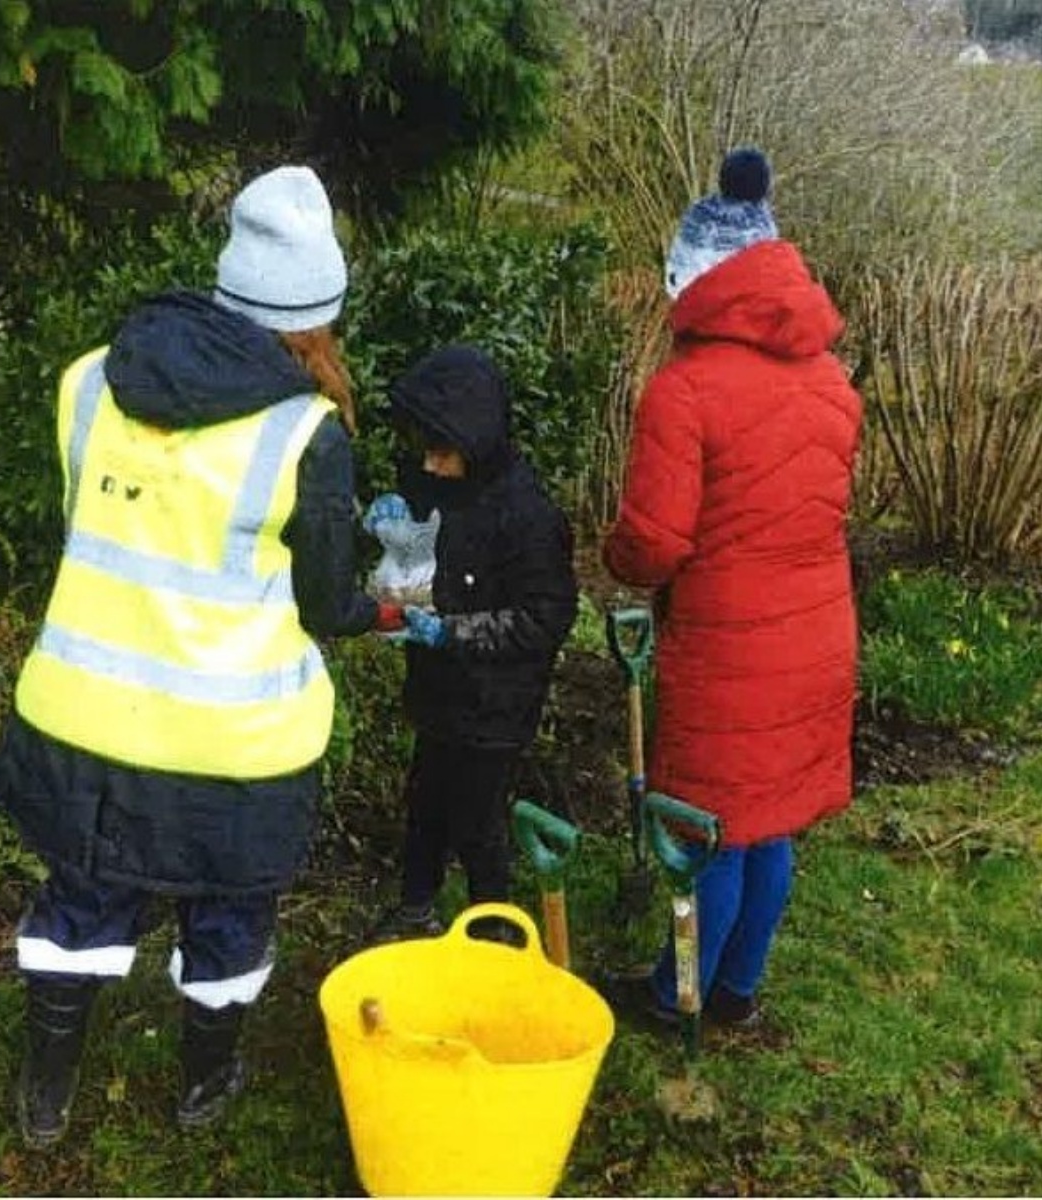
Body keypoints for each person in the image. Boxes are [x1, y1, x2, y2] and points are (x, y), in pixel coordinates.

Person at [0, 165, 402, 1147]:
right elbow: (324, 601)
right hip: (234, 745)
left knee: (81, 901)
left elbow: (99, 528)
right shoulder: (307, 434)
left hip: (83, 722)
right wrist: (379, 609)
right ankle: (204, 1086)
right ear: (316, 315)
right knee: (226, 915)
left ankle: (47, 1094)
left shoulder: (88, 383)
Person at [600, 148, 862, 1029]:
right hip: (818, 635)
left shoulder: (685, 392)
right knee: (769, 821)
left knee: (701, 832)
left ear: (697, 279)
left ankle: (674, 999)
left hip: (733, 646)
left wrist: (618, 555)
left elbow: (659, 542)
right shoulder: (832, 383)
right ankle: (736, 992)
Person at [364, 344, 578, 943]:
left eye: (440, 451)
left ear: (474, 439)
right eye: (423, 450)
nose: (428, 465)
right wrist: (392, 531)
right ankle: (414, 911)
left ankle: (494, 929)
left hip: (496, 702)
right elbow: (420, 552)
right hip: (438, 690)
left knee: (477, 818)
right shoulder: (440, 482)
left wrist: (452, 631)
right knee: (425, 802)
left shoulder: (527, 516)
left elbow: (546, 618)